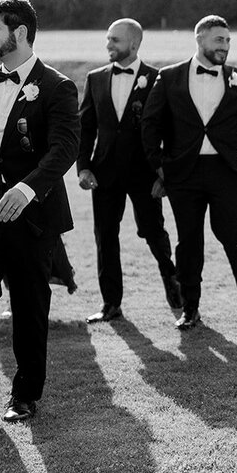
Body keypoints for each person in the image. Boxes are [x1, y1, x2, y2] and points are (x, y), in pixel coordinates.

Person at [141, 15, 237, 330]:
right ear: (200, 39)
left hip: (227, 171)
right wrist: (160, 165)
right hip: (183, 172)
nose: (224, 46)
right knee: (189, 241)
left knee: (233, 233)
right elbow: (150, 123)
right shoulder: (169, 77)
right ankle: (190, 308)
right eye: (218, 40)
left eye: (227, 40)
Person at [0, 0, 79, 422]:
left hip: (32, 217)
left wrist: (26, 190)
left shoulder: (58, 86)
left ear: (19, 32)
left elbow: (64, 149)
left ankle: (24, 394)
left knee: (28, 305)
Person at [77, 18, 181, 323]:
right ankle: (111, 304)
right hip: (104, 173)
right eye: (108, 39)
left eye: (115, 40)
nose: (108, 45)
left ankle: (172, 283)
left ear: (133, 44)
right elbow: (86, 128)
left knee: (153, 232)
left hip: (145, 175)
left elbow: (170, 131)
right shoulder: (95, 79)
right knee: (104, 237)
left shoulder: (158, 79)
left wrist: (164, 175)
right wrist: (83, 168)